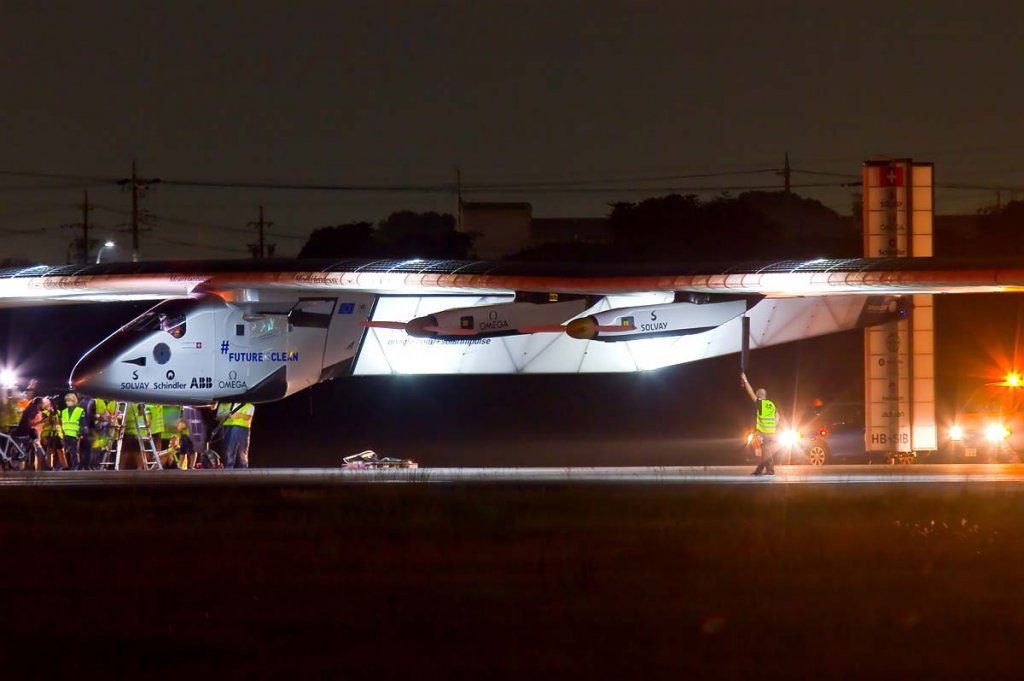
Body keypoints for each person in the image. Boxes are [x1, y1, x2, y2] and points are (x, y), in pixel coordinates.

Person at [741, 372, 780, 476]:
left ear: (758, 396)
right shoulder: (771, 404)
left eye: (757, 395)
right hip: (771, 432)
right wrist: (774, 425)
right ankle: (759, 471)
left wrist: (745, 380)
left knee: (766, 452)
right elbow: (778, 415)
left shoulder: (760, 404)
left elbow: (750, 393)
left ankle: (771, 471)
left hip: (764, 432)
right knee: (765, 451)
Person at [16, 396, 52, 471]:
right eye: (43, 403)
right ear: (39, 404)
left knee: (23, 450)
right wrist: (41, 421)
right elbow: (29, 424)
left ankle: (21, 468)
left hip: (24, 431)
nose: (44, 406)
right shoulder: (32, 410)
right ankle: (45, 465)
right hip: (27, 431)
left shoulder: (32, 409)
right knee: (37, 446)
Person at [216, 402, 254, 468]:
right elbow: (218, 417)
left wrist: (238, 415)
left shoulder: (249, 405)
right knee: (228, 450)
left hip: (241, 428)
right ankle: (229, 469)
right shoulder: (225, 403)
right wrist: (228, 415)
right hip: (226, 427)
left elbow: (247, 417)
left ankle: (241, 469)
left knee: (241, 451)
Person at [60, 393, 85, 470]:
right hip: (65, 435)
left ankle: (76, 467)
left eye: (68, 401)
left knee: (74, 453)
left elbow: (82, 423)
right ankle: (64, 466)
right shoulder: (64, 411)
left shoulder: (80, 411)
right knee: (62, 452)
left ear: (73, 401)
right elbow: (61, 422)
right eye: (66, 401)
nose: (66, 402)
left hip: (75, 435)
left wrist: (80, 433)